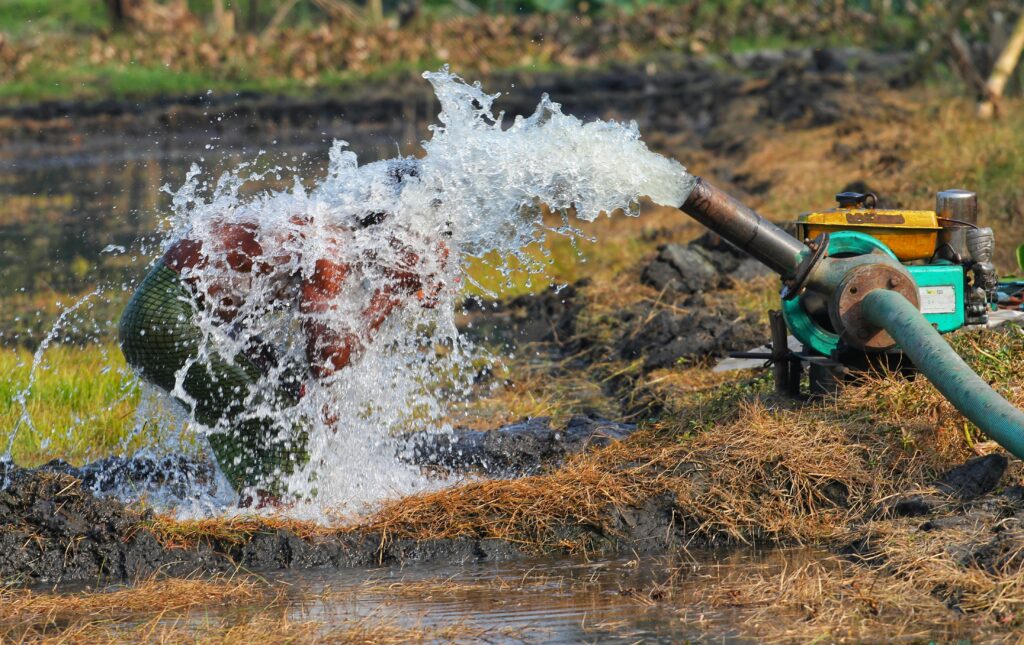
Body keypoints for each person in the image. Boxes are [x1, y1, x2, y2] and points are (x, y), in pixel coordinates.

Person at [119, 161, 446, 506]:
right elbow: (328, 362)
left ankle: (258, 510)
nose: (419, 247)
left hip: (179, 318)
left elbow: (319, 366)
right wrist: (390, 294)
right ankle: (268, 524)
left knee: (293, 398)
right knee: (289, 427)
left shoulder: (330, 232)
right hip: (166, 318)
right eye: (416, 234)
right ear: (387, 220)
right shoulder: (329, 246)